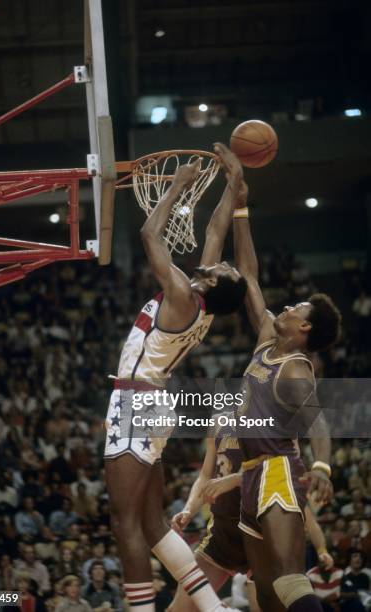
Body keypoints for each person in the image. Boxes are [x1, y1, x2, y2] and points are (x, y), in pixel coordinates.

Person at [105, 158, 247, 612]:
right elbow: (214, 233)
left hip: (137, 402)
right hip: (154, 404)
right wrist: (234, 182)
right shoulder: (199, 300)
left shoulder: (185, 294)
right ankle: (213, 608)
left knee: (125, 522)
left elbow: (149, 236)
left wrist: (177, 188)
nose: (220, 262)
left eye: (223, 268)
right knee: (152, 524)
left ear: (212, 283)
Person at [214, 142, 342, 612]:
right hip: (250, 475)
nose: (285, 307)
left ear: (304, 328)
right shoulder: (269, 341)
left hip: (277, 472)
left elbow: (318, 421)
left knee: (290, 580)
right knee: (265, 593)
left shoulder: (293, 368)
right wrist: (241, 200)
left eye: (296, 308)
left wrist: (324, 467)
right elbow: (248, 276)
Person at [168, 423, 333, 612]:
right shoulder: (218, 422)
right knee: (180, 609)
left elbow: (287, 465)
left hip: (261, 528)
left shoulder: (272, 412)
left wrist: (236, 479)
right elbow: (205, 475)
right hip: (224, 531)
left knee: (269, 603)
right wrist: (189, 509)